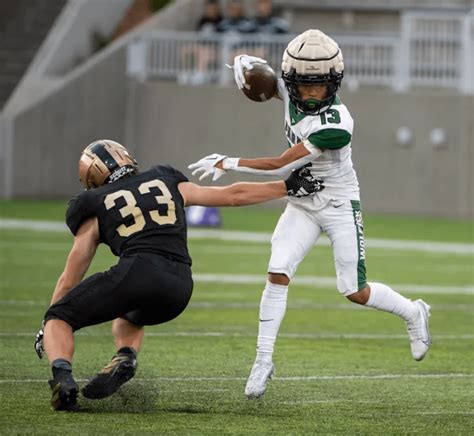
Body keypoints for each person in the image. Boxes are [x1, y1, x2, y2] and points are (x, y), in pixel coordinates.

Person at [188, 29, 432, 400]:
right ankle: (263, 359)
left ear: (334, 83)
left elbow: (279, 164)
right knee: (277, 270)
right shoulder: (289, 89)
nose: (312, 92)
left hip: (336, 201)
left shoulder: (337, 123)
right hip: (302, 199)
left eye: (320, 85)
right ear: (292, 80)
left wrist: (229, 161)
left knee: (354, 289)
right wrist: (243, 65)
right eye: (304, 84)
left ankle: (413, 313)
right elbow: (266, 82)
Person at [33, 139, 323, 411]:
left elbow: (71, 276)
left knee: (60, 317)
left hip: (137, 270)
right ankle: (125, 356)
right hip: (179, 285)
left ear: (91, 179)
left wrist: (49, 322)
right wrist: (286, 186)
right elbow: (232, 195)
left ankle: (62, 378)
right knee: (131, 313)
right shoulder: (165, 180)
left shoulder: (95, 204)